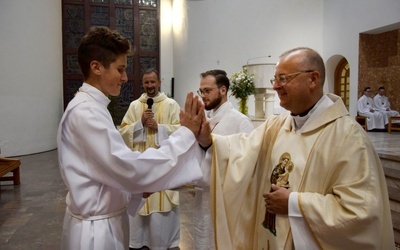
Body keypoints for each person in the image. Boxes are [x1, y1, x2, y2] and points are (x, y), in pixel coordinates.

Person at [196, 47, 395, 249]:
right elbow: (242, 149)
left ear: (313, 79)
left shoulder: (349, 138)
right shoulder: (277, 125)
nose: (275, 87)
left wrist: (294, 204)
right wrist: (208, 141)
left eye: (283, 79)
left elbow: (360, 212)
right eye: (275, 79)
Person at [57, 26, 206, 250]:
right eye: (120, 69)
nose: (125, 77)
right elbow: (128, 168)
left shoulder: (92, 107)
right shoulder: (86, 112)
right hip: (96, 234)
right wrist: (186, 134)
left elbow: (108, 169)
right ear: (96, 67)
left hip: (102, 222)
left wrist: (136, 188)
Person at [119, 69, 182, 250]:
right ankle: (138, 242)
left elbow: (181, 132)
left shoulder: (171, 105)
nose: (150, 86)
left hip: (163, 168)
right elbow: (122, 132)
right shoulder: (134, 106)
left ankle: (162, 243)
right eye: (146, 83)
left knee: (161, 215)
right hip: (140, 168)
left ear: (159, 82)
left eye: (153, 82)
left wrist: (160, 128)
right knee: (139, 212)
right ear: (142, 83)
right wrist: (139, 124)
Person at [194, 69, 254, 249]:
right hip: (204, 195)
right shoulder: (205, 119)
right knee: (203, 238)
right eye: (201, 91)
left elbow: (248, 162)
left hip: (227, 198)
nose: (203, 96)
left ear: (222, 90)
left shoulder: (240, 121)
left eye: (207, 91)